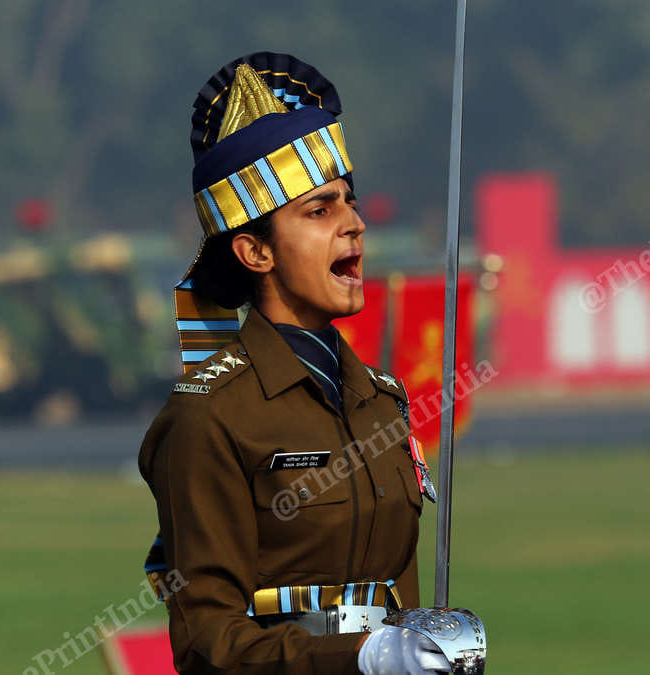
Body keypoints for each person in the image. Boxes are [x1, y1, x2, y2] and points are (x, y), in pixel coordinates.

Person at [137, 52, 455, 674]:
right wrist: (363, 659)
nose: (355, 225)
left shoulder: (382, 401)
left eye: (350, 203)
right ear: (255, 250)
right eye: (320, 211)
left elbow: (399, 600)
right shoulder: (209, 418)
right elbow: (209, 643)